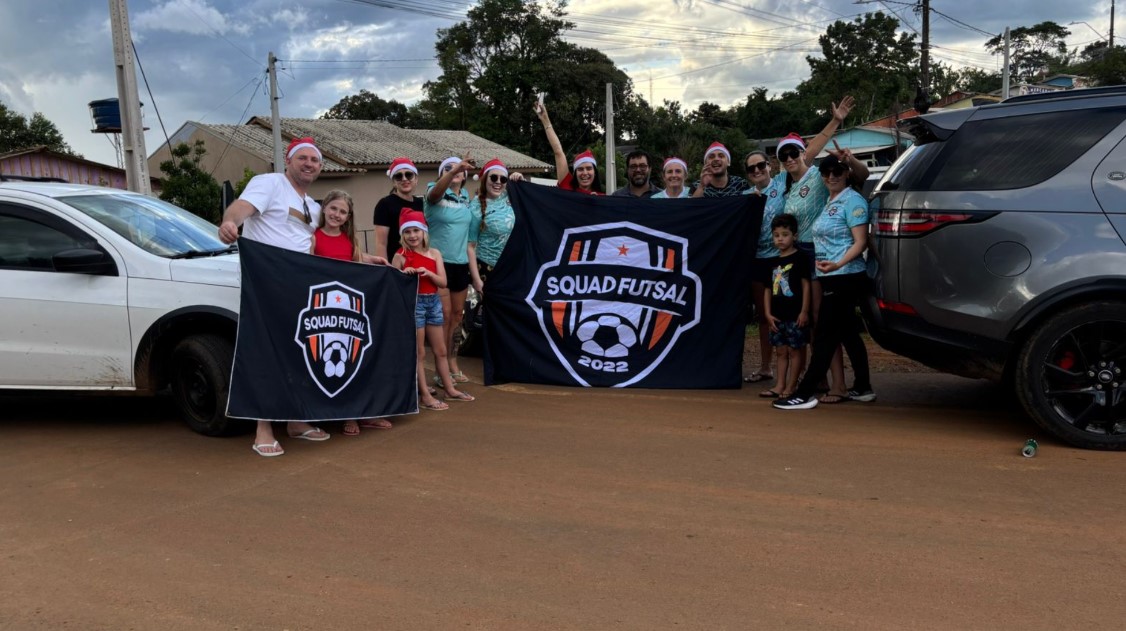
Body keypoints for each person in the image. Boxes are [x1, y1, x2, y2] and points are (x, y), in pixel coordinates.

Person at [218, 136, 330, 457]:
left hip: (299, 286)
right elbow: (241, 208)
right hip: (265, 283)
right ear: (288, 161)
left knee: (297, 351)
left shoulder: (314, 207)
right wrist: (229, 221)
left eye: (315, 160)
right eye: (303, 158)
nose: (309, 164)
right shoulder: (269, 183)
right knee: (265, 353)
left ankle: (295, 420)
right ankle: (263, 427)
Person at [774, 96, 869, 393]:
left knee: (821, 321)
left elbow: (858, 175)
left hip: (824, 254)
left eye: (794, 153)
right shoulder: (784, 183)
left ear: (803, 154)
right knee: (813, 322)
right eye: (784, 155)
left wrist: (836, 121)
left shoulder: (818, 175)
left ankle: (836, 383)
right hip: (799, 254)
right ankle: (820, 380)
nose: (790, 159)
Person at [310, 190, 393, 435]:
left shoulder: (350, 239)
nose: (337, 214)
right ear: (324, 208)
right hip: (324, 311)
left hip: (349, 310)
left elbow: (354, 258)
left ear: (348, 217)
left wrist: (373, 260)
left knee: (356, 359)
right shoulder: (312, 238)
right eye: (333, 208)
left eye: (342, 211)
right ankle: (347, 415)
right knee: (333, 360)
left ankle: (364, 412)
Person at [393, 210, 475, 409]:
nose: (412, 236)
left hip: (433, 303)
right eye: (408, 232)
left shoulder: (434, 253)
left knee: (440, 349)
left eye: (416, 230)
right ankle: (425, 395)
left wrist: (428, 272)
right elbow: (393, 284)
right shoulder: (400, 255)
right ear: (402, 235)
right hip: (415, 305)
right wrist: (405, 273)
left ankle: (449, 389)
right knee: (420, 352)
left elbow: (443, 282)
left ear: (424, 232)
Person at [425, 154, 476, 386]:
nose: (456, 172)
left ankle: (453, 363)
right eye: (449, 169)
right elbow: (436, 193)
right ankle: (440, 368)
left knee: (457, 316)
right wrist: (455, 167)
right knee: (443, 317)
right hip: (439, 264)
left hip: (460, 264)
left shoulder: (466, 197)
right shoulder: (433, 192)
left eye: (460, 170)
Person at [742, 150, 786, 384]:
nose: (757, 170)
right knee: (764, 315)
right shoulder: (746, 195)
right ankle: (766, 367)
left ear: (769, 165)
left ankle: (792, 369)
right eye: (751, 169)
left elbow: (806, 156)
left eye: (760, 165)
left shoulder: (783, 184)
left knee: (785, 314)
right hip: (758, 261)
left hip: (781, 260)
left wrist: (835, 122)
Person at [758, 214, 811, 399]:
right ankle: (779, 385)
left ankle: (791, 385)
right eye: (776, 235)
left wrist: (805, 311)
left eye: (785, 234)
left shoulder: (801, 258)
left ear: (794, 236)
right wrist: (767, 313)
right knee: (780, 351)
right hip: (777, 316)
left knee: (795, 351)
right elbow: (766, 289)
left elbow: (806, 285)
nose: (780, 238)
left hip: (795, 314)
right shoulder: (772, 262)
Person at [468, 159, 523, 296]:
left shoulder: (511, 195)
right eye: (493, 177)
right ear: (485, 179)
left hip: (512, 266)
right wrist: (476, 279)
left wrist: (521, 181)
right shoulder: (475, 206)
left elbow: (532, 200)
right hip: (488, 267)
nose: (498, 182)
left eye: (503, 179)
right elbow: (470, 246)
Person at [534, 102, 604, 195]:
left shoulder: (603, 198)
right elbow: (558, 152)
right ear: (575, 173)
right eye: (580, 169)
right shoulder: (567, 185)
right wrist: (545, 120)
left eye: (588, 168)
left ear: (595, 172)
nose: (585, 173)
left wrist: (597, 204)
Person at [373, 157, 423, 262]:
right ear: (394, 182)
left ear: (416, 179)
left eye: (409, 175)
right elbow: (381, 243)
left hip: (421, 264)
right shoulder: (385, 204)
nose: (404, 179)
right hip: (396, 265)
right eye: (399, 176)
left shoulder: (421, 204)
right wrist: (385, 270)